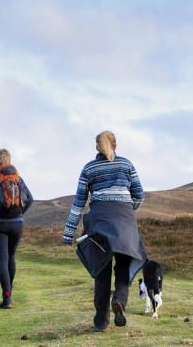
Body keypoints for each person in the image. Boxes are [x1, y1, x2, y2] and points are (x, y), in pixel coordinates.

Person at [62, 131, 147, 332]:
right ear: (115, 146)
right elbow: (139, 195)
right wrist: (127, 209)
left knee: (102, 270)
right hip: (124, 220)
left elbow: (78, 204)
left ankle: (101, 321)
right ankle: (119, 300)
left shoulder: (89, 168)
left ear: (97, 148)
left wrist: (69, 233)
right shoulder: (127, 165)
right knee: (124, 265)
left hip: (99, 221)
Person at [0, 148, 33, 309]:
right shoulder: (18, 177)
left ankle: (6, 297)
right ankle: (10, 290)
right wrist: (20, 214)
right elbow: (30, 199)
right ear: (9, 160)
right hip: (17, 223)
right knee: (11, 256)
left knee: (2, 259)